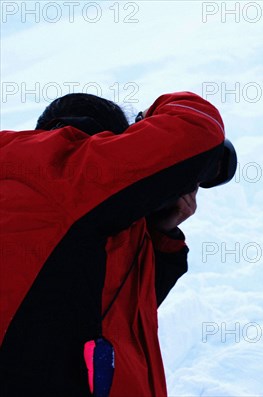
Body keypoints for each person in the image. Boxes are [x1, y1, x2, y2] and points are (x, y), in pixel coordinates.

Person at [0, 91, 235, 396]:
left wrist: (158, 234)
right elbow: (197, 129)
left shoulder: (53, 209)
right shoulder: (73, 171)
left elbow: (106, 311)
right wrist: (150, 118)